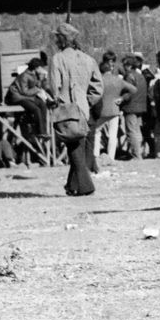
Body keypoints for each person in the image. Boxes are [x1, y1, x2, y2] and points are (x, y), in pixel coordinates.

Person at [47, 23, 102, 197]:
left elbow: (54, 88)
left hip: (66, 108)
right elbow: (98, 88)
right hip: (83, 109)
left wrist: (52, 101)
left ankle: (86, 186)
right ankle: (72, 186)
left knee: (73, 147)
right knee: (78, 145)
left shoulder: (57, 59)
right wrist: (87, 101)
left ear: (62, 39)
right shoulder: (88, 59)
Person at [118, 55, 149, 160]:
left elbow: (129, 92)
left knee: (131, 131)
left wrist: (121, 99)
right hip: (141, 106)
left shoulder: (129, 76)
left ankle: (136, 155)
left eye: (124, 65)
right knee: (137, 130)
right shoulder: (141, 76)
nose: (123, 67)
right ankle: (139, 152)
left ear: (129, 65)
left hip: (131, 107)